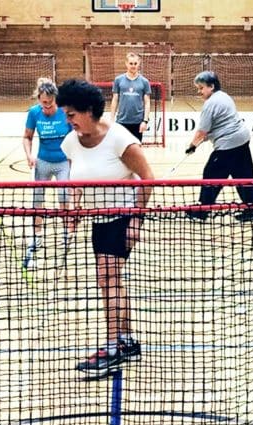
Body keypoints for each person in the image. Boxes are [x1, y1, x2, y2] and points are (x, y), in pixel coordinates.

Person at [56, 79, 155, 377]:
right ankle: (126, 341)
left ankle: (111, 349)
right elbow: (76, 180)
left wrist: (137, 220)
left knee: (108, 279)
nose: (68, 119)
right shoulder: (71, 141)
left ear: (89, 111)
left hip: (121, 217)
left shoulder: (120, 140)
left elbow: (148, 178)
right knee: (110, 281)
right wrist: (73, 207)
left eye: (72, 114)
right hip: (98, 220)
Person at [184, 70, 253, 222]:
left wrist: (192, 146)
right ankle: (250, 210)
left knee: (211, 174)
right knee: (243, 175)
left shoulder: (210, 104)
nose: (199, 92)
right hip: (242, 140)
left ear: (211, 86)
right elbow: (215, 127)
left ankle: (203, 211)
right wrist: (203, 139)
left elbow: (202, 132)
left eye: (201, 88)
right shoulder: (224, 96)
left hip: (228, 146)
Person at [22, 78, 72, 269]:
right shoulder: (34, 113)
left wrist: (73, 160)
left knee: (64, 198)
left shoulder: (64, 112)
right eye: (44, 103)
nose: (47, 107)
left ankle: (66, 233)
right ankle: (37, 236)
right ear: (39, 99)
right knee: (37, 200)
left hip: (62, 162)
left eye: (50, 103)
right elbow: (27, 137)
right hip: (42, 161)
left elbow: (75, 135)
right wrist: (29, 155)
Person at [110, 52, 152, 141]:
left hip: (137, 122)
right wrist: (111, 119)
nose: (133, 66)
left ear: (139, 64)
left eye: (135, 63)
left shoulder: (144, 82)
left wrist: (145, 121)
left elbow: (147, 102)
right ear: (126, 64)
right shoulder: (118, 80)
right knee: (121, 151)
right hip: (121, 121)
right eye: (131, 63)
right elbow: (115, 100)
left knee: (136, 149)